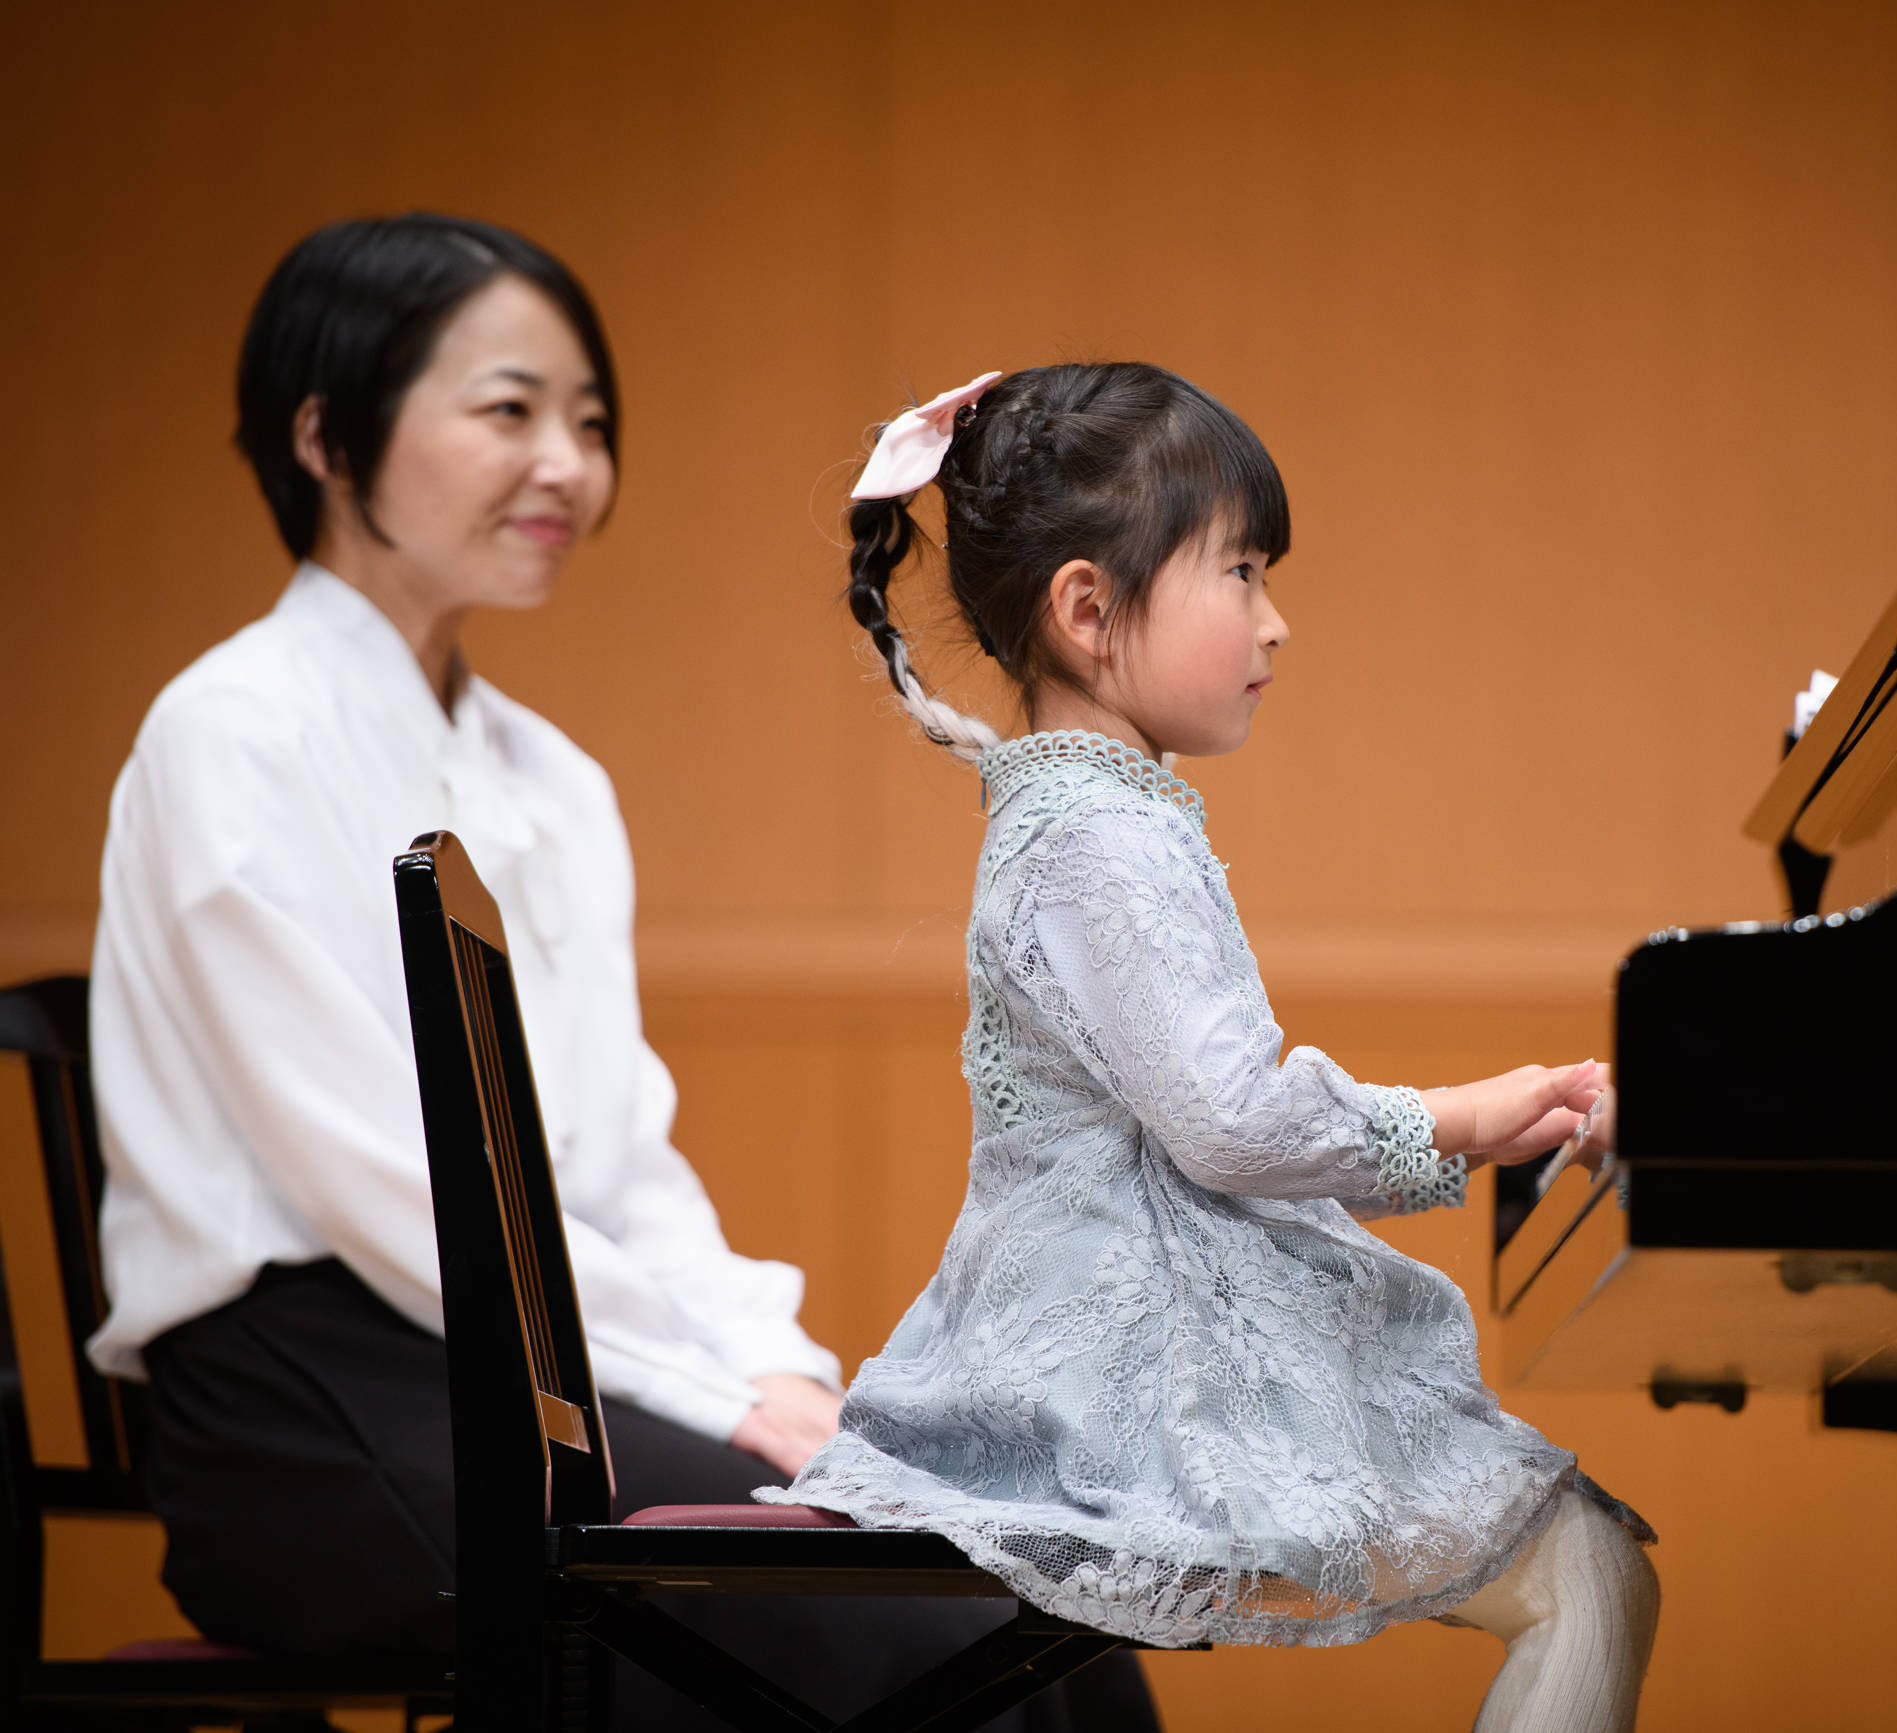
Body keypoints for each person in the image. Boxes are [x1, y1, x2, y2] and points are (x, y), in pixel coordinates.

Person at [86, 217, 1153, 1730]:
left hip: (525, 1360)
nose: (570, 465)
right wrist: (717, 1403)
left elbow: (616, 1165)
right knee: (818, 1621)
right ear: (326, 433)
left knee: (1031, 1606)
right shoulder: (230, 732)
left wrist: (783, 1374)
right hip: (313, 1400)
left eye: (589, 423)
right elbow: (387, 1181)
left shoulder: (552, 776)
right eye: (509, 409)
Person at [770, 362, 1662, 1732]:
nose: (1276, 620)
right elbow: (1232, 1123)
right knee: (1589, 1568)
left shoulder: (1096, 815)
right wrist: (1464, 1117)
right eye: (1239, 572)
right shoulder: (1098, 834)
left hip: (1108, 1337)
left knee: (1588, 1560)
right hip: (1116, 1388)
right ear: (1088, 610)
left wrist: (1475, 1122)